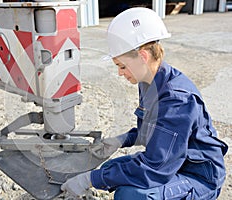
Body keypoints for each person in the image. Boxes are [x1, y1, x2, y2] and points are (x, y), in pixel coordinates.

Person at [61, 7, 228, 199]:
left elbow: (156, 168)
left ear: (143, 56)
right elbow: (151, 131)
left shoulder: (176, 100)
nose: (120, 73)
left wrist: (87, 179)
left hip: (198, 175)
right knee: (109, 168)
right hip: (175, 162)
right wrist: (120, 140)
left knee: (129, 194)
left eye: (122, 66)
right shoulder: (148, 82)